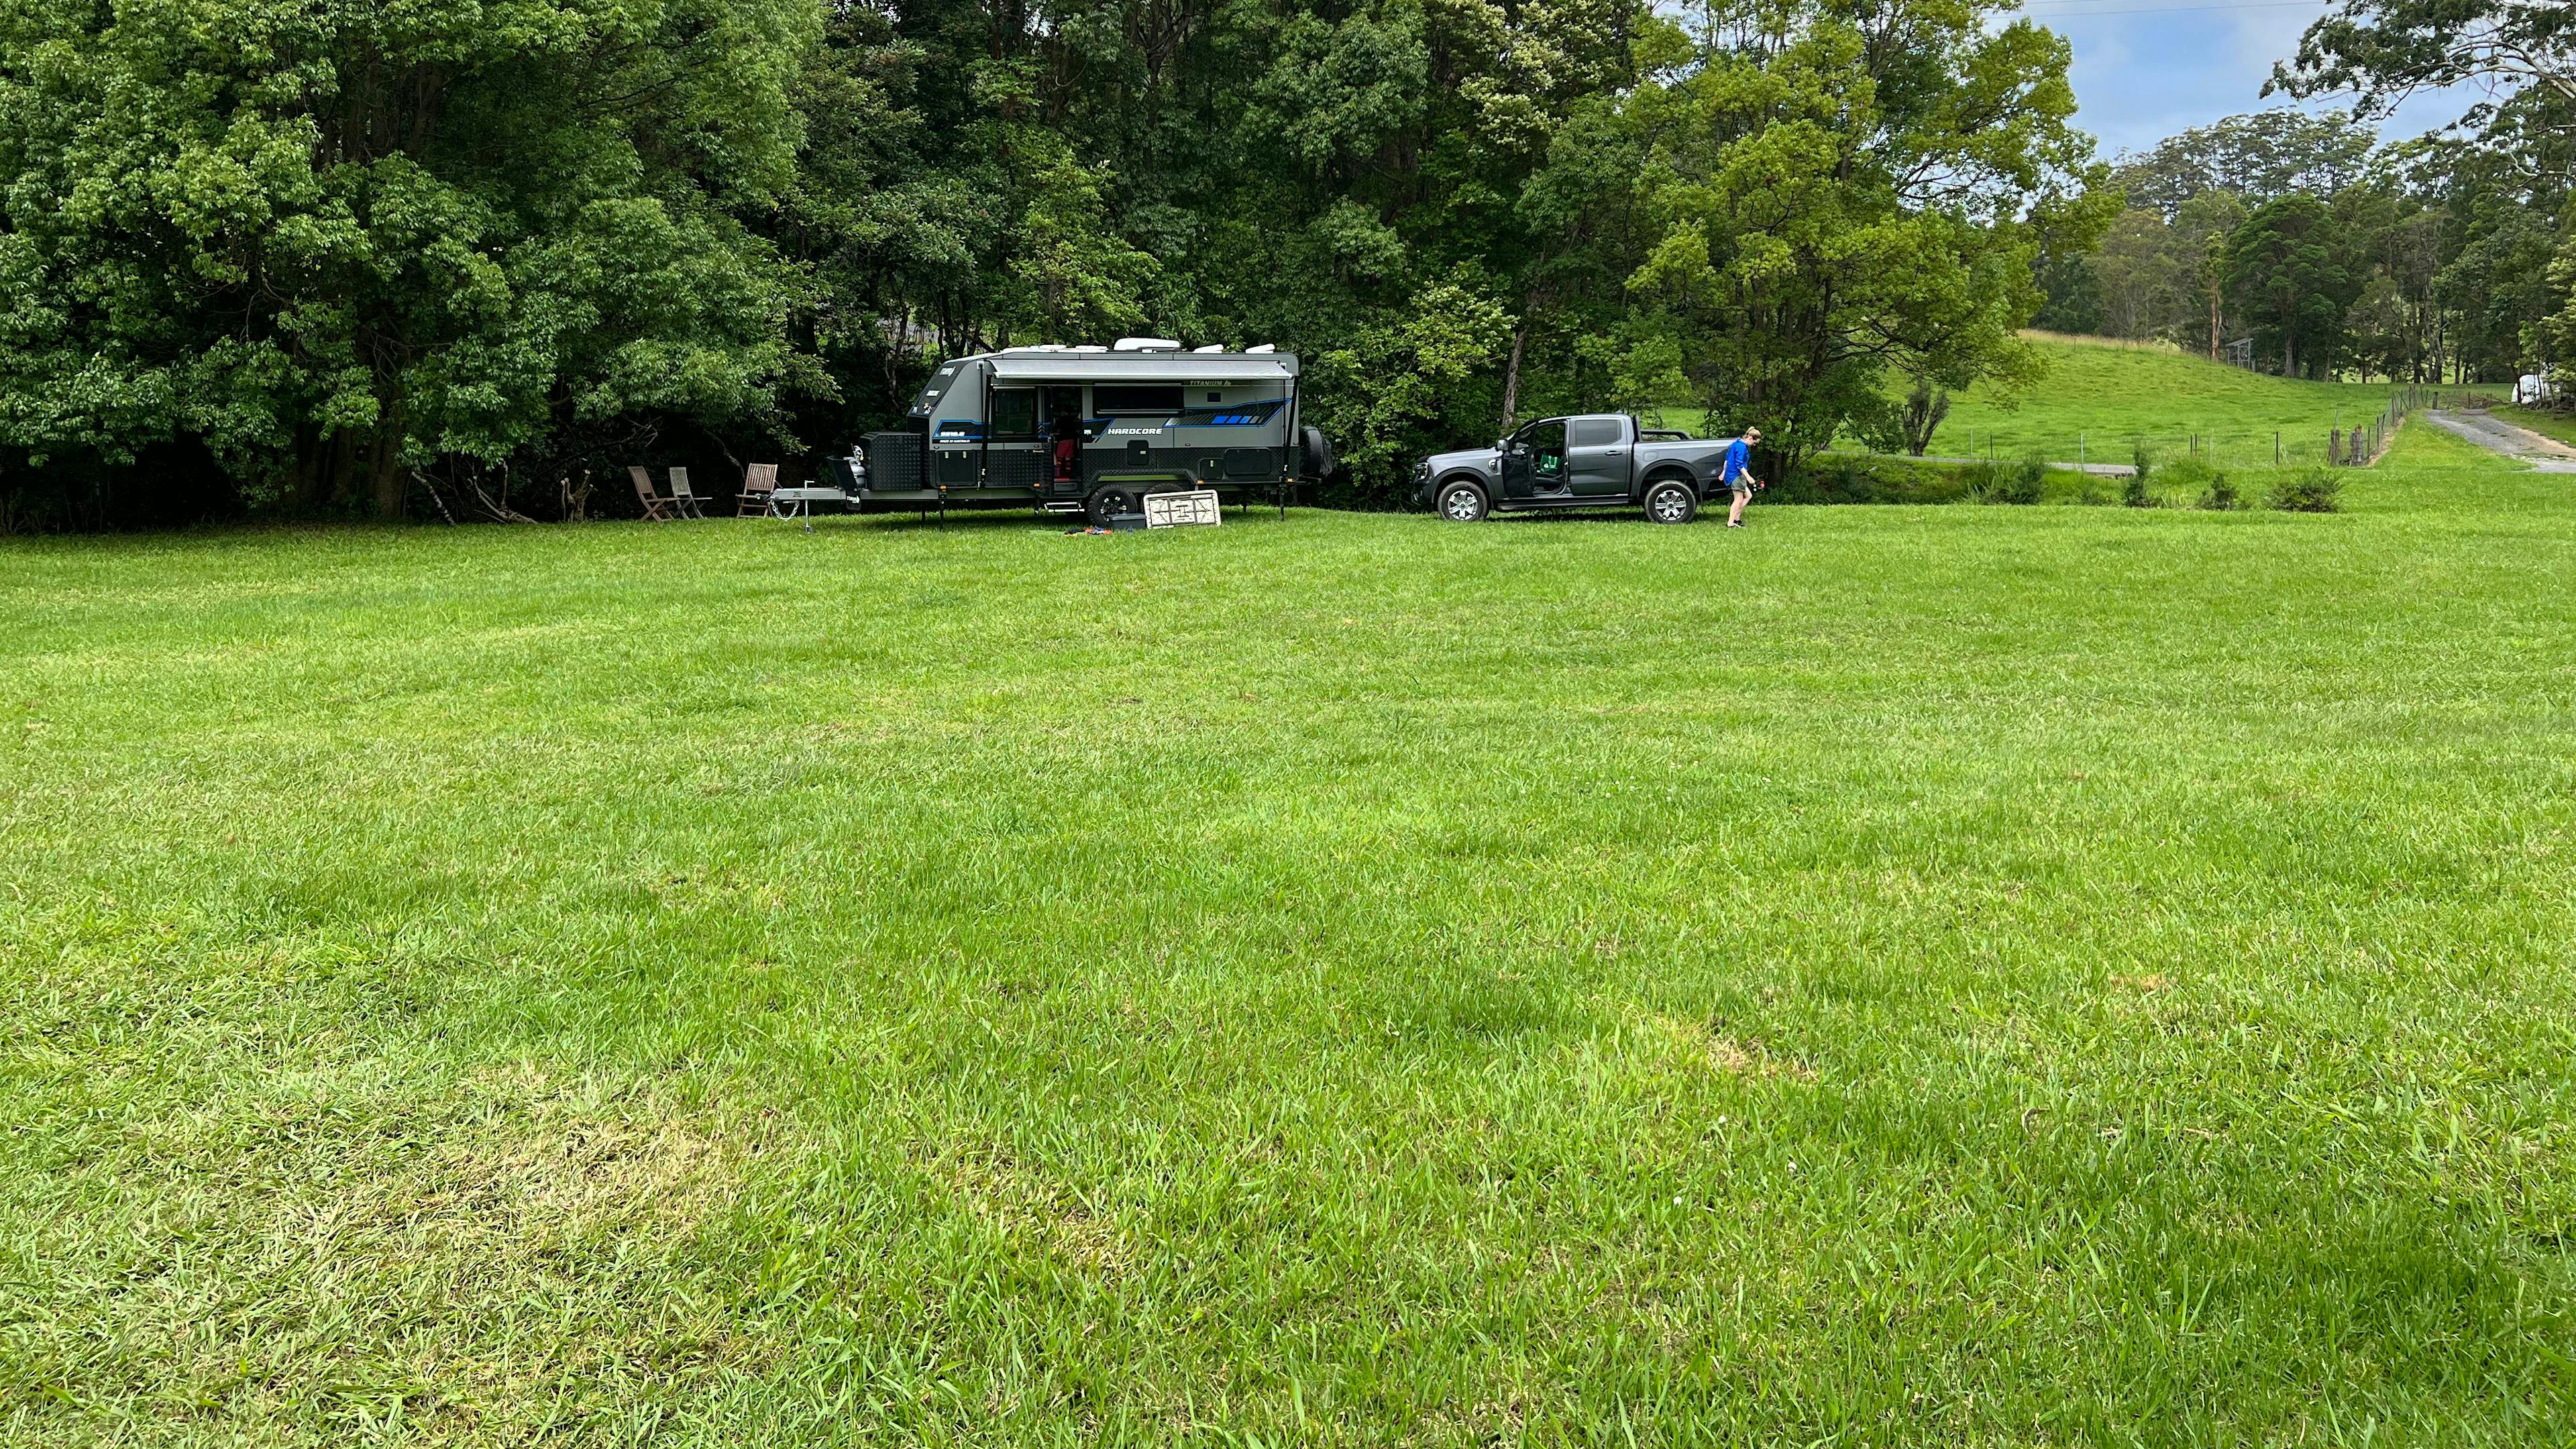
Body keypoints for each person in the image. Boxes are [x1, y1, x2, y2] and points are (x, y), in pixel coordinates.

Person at [1721, 426, 1762, 527]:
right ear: (1750, 438)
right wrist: (1748, 477)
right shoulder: (1742, 448)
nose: (1753, 445)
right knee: (1738, 499)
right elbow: (1740, 465)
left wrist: (1723, 472)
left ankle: (1737, 519)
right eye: (1754, 443)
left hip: (1732, 474)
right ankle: (1731, 523)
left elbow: (1727, 459)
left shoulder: (1736, 443)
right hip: (1736, 475)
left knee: (1748, 496)